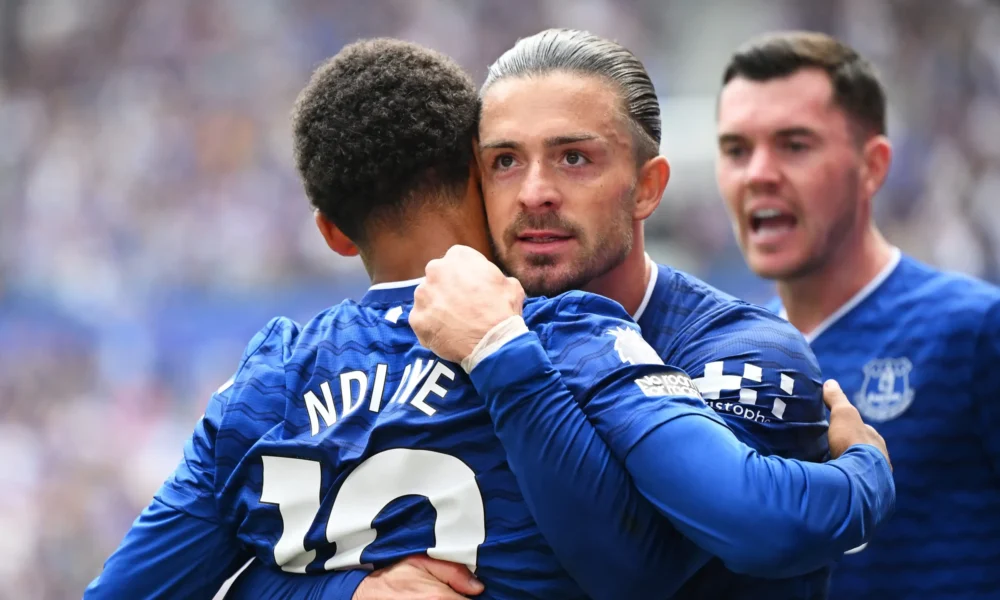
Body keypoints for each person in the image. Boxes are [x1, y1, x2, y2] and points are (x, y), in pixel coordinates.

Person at [85, 37, 892, 600]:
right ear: (473, 180)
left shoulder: (741, 349)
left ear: (649, 187)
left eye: (573, 158)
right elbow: (631, 571)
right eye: (506, 161)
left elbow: (740, 532)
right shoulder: (562, 331)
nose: (534, 191)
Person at [715, 30, 1000, 599]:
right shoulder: (726, 354)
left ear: (872, 166)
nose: (758, 174)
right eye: (736, 149)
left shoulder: (974, 330)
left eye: (794, 145)